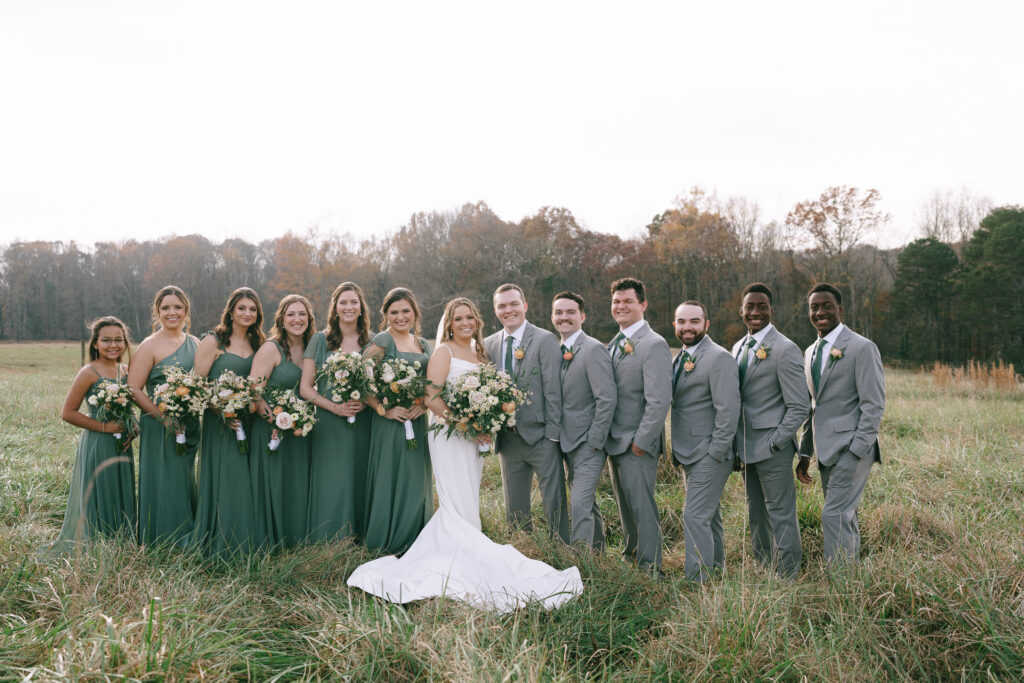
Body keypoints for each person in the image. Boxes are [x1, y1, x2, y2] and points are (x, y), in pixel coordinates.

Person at [347, 298, 583, 611]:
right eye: (458, 319)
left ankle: (469, 541)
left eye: (469, 317)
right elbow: (431, 397)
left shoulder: (480, 351)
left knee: (469, 496)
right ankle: (460, 552)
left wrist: (486, 421)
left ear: (476, 320)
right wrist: (464, 423)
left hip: (473, 439)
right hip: (449, 436)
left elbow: (490, 393)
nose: (464, 323)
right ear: (449, 322)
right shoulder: (443, 351)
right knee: (454, 498)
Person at [798, 283, 885, 565]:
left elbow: (873, 405)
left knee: (833, 514)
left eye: (827, 306)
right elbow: (814, 405)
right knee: (844, 515)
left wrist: (858, 449)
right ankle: (852, 581)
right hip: (825, 451)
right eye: (814, 307)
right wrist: (804, 452)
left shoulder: (861, 347)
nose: (820, 311)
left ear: (840, 310)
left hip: (851, 448)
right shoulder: (810, 351)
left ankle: (838, 584)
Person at [731, 283, 809, 578]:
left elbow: (800, 406)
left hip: (773, 448)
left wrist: (776, 441)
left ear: (771, 311)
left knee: (781, 515)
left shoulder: (785, 349)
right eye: (750, 306)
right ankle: (764, 569)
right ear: (741, 311)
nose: (755, 312)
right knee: (756, 514)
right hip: (744, 447)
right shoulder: (738, 347)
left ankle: (789, 575)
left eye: (762, 306)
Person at [483, 284, 569, 543]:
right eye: (502, 306)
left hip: (541, 436)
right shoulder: (489, 344)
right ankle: (522, 550)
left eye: (513, 304)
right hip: (508, 440)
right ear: (496, 310)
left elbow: (553, 391)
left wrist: (553, 436)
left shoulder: (543, 339)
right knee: (515, 506)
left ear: (525, 306)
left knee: (554, 501)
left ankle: (561, 550)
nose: (508, 310)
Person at [49, 317, 137, 548]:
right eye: (106, 340)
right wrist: (104, 427)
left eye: (119, 340)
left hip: (122, 445)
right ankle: (97, 541)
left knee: (120, 487)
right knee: (100, 489)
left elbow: (130, 407)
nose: (113, 345)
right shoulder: (89, 372)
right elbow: (67, 412)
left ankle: (122, 539)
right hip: (98, 442)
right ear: (95, 343)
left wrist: (132, 428)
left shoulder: (127, 371)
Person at [605, 277, 672, 576]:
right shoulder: (614, 343)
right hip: (614, 441)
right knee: (624, 506)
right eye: (617, 301)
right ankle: (631, 556)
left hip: (637, 444)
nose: (621, 306)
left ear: (643, 305)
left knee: (642, 507)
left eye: (628, 301)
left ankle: (650, 568)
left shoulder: (654, 344)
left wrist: (641, 442)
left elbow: (658, 401)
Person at [670, 300, 740, 582]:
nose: (688, 327)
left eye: (695, 321)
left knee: (694, 517)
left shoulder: (718, 357)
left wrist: (716, 452)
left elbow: (728, 409)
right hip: (688, 452)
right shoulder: (680, 356)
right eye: (682, 321)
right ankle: (715, 573)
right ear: (675, 325)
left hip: (709, 453)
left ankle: (697, 582)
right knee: (709, 517)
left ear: (706, 324)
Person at [193, 287, 266, 556]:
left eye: (253, 309)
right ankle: (222, 540)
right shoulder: (214, 341)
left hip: (251, 422)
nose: (247, 313)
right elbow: (196, 385)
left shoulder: (259, 343)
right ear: (231, 311)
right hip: (220, 423)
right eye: (242, 308)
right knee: (228, 477)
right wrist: (222, 411)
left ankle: (247, 538)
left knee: (247, 478)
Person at [361, 287, 433, 554]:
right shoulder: (383, 339)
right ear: (386, 315)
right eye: (394, 312)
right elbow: (363, 379)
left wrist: (424, 405)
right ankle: (388, 539)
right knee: (391, 478)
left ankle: (417, 538)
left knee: (415, 479)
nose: (401, 317)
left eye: (406, 311)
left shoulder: (423, 344)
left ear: (415, 313)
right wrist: (383, 410)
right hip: (390, 424)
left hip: (417, 422)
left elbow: (432, 383)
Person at [127, 285, 200, 547]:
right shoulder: (150, 345)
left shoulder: (195, 343)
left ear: (186, 310)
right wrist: (162, 417)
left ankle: (189, 530)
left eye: (177, 307)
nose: (172, 313)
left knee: (184, 478)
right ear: (157, 312)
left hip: (189, 424)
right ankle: (164, 537)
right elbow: (134, 389)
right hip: (160, 424)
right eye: (166, 308)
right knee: (164, 479)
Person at [300, 282, 372, 542]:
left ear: (361, 307)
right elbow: (306, 388)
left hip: (364, 422)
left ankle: (360, 535)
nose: (349, 307)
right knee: (332, 479)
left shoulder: (372, 342)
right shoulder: (320, 340)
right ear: (335, 307)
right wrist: (334, 407)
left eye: (354, 302)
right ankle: (328, 538)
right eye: (343, 302)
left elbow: (378, 384)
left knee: (360, 475)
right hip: (328, 423)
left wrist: (365, 402)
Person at [550, 291, 616, 551]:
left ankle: (581, 561)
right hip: (565, 442)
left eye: (570, 312)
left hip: (589, 443)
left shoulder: (593, 349)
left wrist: (594, 441)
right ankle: (597, 553)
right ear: (552, 317)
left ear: (582, 316)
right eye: (559, 312)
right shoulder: (557, 350)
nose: (564, 317)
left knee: (578, 503)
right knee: (586, 501)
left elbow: (606, 399)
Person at [249, 294, 316, 549]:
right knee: (275, 484)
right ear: (281, 319)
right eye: (291, 314)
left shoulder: (313, 348)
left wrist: (298, 424)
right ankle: (272, 542)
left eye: (302, 314)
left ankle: (297, 542)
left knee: (297, 486)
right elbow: (254, 395)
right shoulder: (271, 348)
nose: (297, 319)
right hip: (271, 432)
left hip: (301, 433)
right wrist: (279, 423)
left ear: (309, 319)